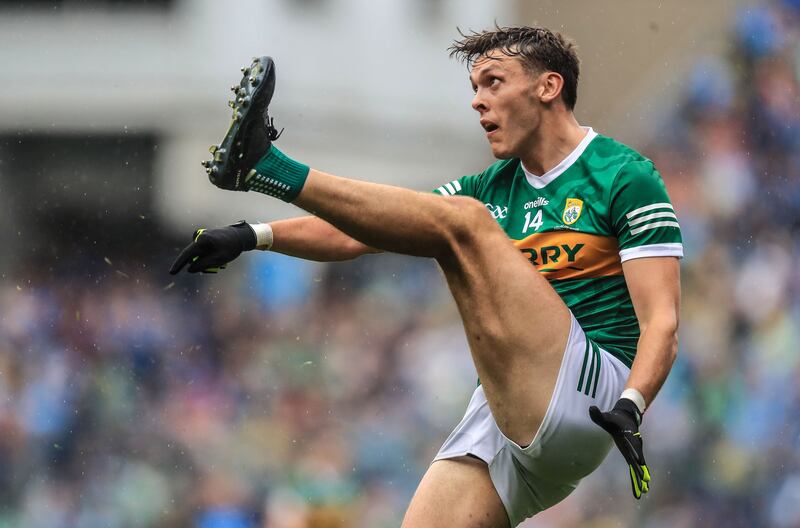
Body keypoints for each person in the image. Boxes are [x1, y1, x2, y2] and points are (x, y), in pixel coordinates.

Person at [171, 26, 682, 527]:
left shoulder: (622, 175)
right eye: (475, 88)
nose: (478, 101)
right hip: (505, 418)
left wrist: (632, 407)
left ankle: (266, 165)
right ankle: (261, 174)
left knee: (464, 221)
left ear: (549, 87)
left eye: (494, 83)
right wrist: (252, 235)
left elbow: (661, 321)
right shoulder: (490, 187)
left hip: (594, 398)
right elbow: (356, 235)